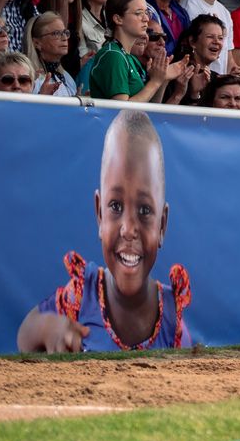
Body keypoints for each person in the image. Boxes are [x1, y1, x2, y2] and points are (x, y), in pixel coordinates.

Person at [18, 109, 194, 351]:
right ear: (100, 214)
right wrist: (50, 327)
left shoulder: (172, 320)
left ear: (162, 225)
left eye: (144, 210)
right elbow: (27, 333)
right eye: (115, 206)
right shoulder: (81, 297)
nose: (129, 229)